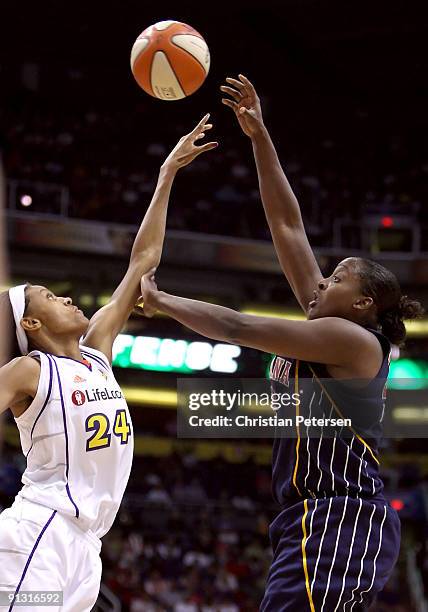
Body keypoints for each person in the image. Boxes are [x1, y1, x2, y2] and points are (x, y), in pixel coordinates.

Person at [140, 76, 425, 611]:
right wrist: (259, 136)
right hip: (308, 518)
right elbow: (287, 226)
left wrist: (164, 302)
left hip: (341, 515)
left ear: (364, 305)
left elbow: (239, 329)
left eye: (337, 278)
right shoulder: (328, 322)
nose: (320, 283)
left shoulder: (353, 342)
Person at [0, 114, 217, 612]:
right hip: (39, 532)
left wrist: (166, 175)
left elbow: (142, 263)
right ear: (30, 325)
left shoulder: (97, 354)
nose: (66, 298)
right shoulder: (29, 370)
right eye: (50, 297)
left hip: (87, 548)